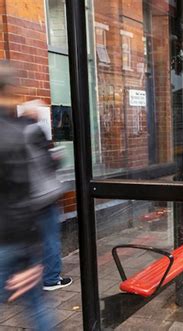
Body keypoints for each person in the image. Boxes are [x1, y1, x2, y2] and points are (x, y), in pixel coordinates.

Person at [0, 63, 54, 329]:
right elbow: (22, 194)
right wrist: (33, 247)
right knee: (35, 303)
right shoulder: (16, 132)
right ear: (11, 90)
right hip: (13, 236)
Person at [20, 100, 73, 291]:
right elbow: (49, 163)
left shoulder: (15, 134)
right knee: (50, 239)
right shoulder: (35, 132)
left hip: (27, 199)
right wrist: (57, 155)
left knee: (33, 241)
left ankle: (29, 278)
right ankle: (51, 279)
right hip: (44, 196)